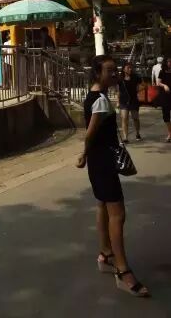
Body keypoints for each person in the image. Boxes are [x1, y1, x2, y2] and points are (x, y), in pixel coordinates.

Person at [76, 55, 149, 297]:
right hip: (104, 162)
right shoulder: (100, 100)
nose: (115, 74)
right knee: (118, 214)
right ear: (98, 73)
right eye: (110, 70)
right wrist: (83, 154)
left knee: (102, 206)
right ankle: (122, 270)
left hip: (98, 161)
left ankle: (106, 253)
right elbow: (89, 133)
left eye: (115, 70)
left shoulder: (93, 97)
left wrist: (87, 155)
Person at [118, 61, 142, 143]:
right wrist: (118, 101)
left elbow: (142, 85)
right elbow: (118, 90)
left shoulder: (135, 77)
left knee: (135, 118)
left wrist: (137, 91)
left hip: (133, 100)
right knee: (124, 118)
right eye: (128, 68)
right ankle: (125, 137)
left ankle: (137, 133)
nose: (130, 69)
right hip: (123, 101)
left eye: (131, 68)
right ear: (124, 69)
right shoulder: (120, 78)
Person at [157, 57, 171, 143]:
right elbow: (158, 82)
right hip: (165, 96)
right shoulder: (162, 72)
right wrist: (165, 85)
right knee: (166, 115)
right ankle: (170, 133)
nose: (170, 63)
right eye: (168, 61)